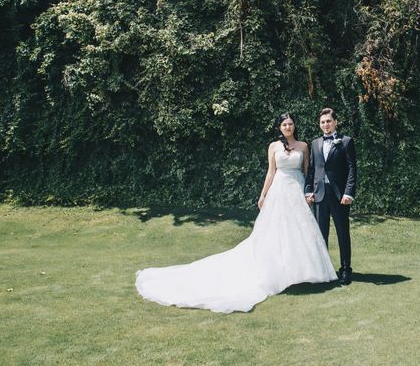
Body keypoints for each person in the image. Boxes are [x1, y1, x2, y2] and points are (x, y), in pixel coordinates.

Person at [135, 113, 337, 313]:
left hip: (296, 189)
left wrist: (307, 191)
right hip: (279, 191)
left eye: (291, 123)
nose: (288, 127)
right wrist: (263, 195)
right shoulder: (273, 146)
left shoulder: (303, 146)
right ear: (279, 127)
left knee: (299, 232)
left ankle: (302, 273)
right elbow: (271, 172)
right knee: (275, 232)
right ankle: (278, 274)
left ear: (294, 126)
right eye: (284, 124)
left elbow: (307, 171)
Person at [305, 107, 357, 285]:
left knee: (343, 233)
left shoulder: (346, 142)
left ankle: (345, 270)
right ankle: (323, 270)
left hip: (339, 195)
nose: (325, 124)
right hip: (320, 194)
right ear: (320, 125)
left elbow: (352, 169)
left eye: (328, 121)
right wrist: (308, 190)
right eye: (322, 122)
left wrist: (348, 193)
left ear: (335, 122)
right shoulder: (315, 143)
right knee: (321, 235)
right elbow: (312, 169)